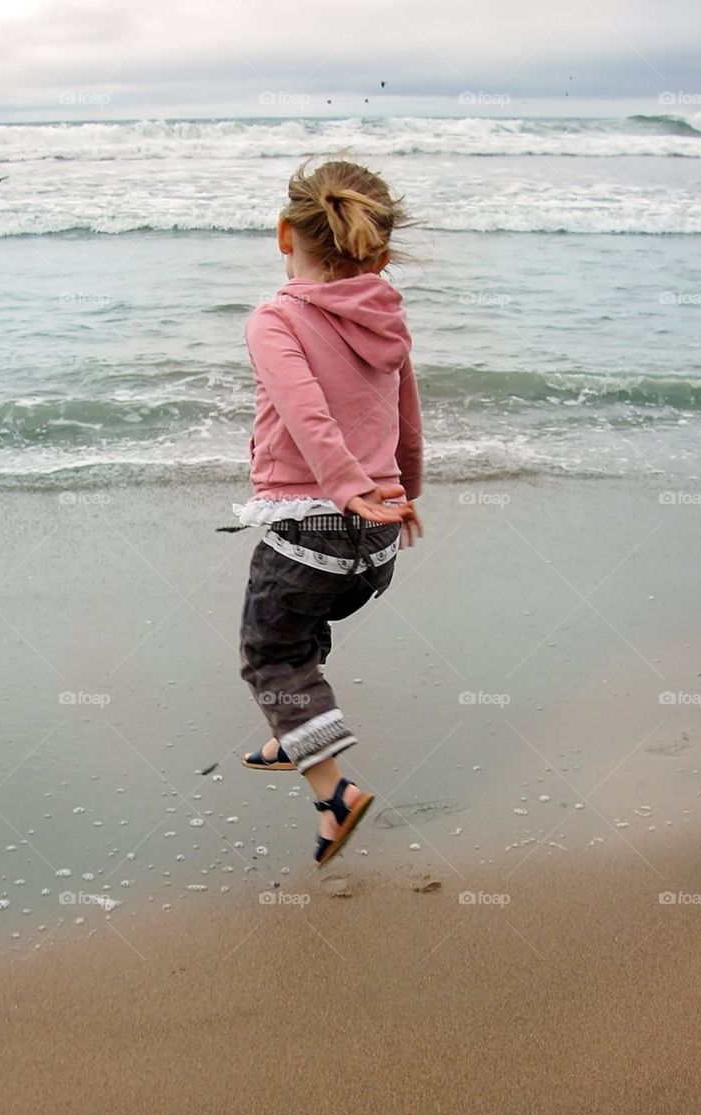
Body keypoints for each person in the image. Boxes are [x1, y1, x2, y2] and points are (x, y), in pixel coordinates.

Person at [236, 159, 423, 865]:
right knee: (302, 633)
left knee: (272, 656)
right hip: (374, 552)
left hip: (311, 534)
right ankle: (292, 733)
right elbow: (407, 418)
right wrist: (402, 492)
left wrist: (343, 486)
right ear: (375, 247)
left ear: (285, 234)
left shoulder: (275, 319)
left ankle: (332, 792)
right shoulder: (386, 318)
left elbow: (305, 413)